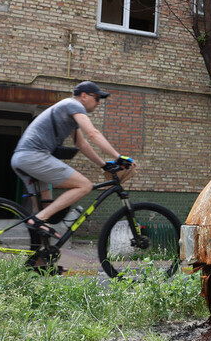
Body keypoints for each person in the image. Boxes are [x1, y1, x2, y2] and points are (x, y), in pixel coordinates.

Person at [10, 81, 131, 239]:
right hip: (34, 156)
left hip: (23, 158)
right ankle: (39, 219)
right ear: (84, 96)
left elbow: (82, 144)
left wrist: (104, 165)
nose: (99, 103)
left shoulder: (68, 111)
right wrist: (118, 157)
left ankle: (39, 260)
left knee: (45, 215)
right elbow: (93, 133)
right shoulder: (73, 105)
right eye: (97, 98)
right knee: (85, 186)